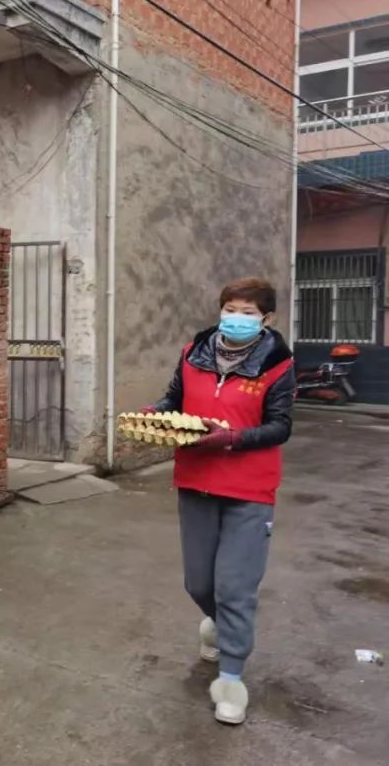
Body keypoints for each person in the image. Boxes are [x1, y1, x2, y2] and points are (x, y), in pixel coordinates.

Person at [148, 277, 295, 725]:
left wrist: (233, 438)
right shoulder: (195, 353)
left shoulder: (277, 364)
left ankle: (231, 679)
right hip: (195, 481)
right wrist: (159, 413)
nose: (237, 318)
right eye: (231, 308)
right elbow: (175, 397)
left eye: (248, 312)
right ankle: (218, 623)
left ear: (265, 319)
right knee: (199, 584)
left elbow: (280, 426)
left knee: (235, 587)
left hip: (249, 489)